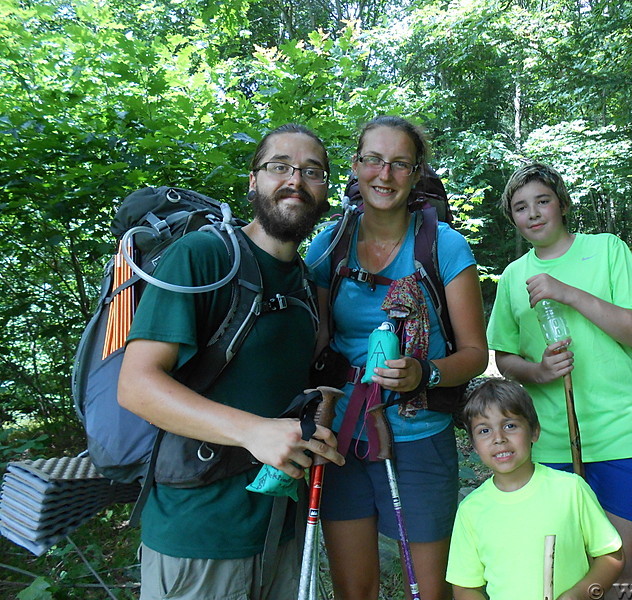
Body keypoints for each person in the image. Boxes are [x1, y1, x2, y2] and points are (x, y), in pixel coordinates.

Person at [118, 123, 345, 600]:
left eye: (312, 171)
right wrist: (254, 431)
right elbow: (136, 385)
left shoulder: (305, 283)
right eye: (278, 167)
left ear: (326, 189)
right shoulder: (202, 256)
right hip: (198, 534)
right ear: (252, 181)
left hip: (281, 530)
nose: (295, 181)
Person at [306, 115, 488, 600]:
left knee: (431, 591)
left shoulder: (444, 247)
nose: (384, 175)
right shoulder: (327, 247)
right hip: (341, 434)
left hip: (419, 434)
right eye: (373, 160)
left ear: (416, 172)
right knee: (354, 589)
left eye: (399, 163)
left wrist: (423, 373)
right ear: (355, 166)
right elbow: (315, 344)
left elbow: (475, 353)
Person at [487, 163, 632, 598]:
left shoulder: (606, 250)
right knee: (564, 569)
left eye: (542, 201)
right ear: (513, 218)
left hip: (621, 431)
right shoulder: (512, 277)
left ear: (562, 204)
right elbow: (505, 357)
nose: (534, 214)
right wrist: (539, 372)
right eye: (521, 207)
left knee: (624, 562)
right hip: (550, 441)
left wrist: (567, 292)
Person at [446, 377, 624, 600]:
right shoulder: (471, 510)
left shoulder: (570, 490)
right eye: (484, 431)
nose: (499, 438)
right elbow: (464, 588)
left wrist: (577, 596)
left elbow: (611, 557)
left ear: (534, 431)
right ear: (473, 444)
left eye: (510, 425)